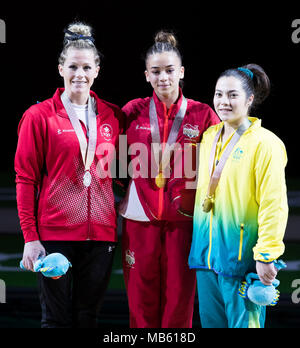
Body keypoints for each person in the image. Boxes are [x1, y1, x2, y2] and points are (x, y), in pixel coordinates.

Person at [15, 22, 123, 328]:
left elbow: (119, 171)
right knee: (55, 320)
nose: (80, 74)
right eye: (73, 66)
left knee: (88, 317)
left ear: (97, 70)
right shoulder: (38, 117)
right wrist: (30, 238)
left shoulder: (113, 116)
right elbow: (25, 179)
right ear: (61, 68)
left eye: (87, 67)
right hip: (55, 235)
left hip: (102, 235)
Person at [119, 30, 220, 328]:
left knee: (179, 301)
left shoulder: (203, 115)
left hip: (185, 223)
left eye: (169, 70)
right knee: (140, 302)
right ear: (147, 75)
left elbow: (219, 165)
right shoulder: (132, 112)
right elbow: (112, 160)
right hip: (139, 222)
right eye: (156, 71)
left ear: (182, 72)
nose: (163, 77)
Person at [188, 64, 289, 328]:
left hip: (242, 260)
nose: (224, 102)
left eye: (232, 95)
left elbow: (274, 204)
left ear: (250, 99)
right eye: (219, 94)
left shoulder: (267, 144)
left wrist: (266, 254)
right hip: (207, 258)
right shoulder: (209, 137)